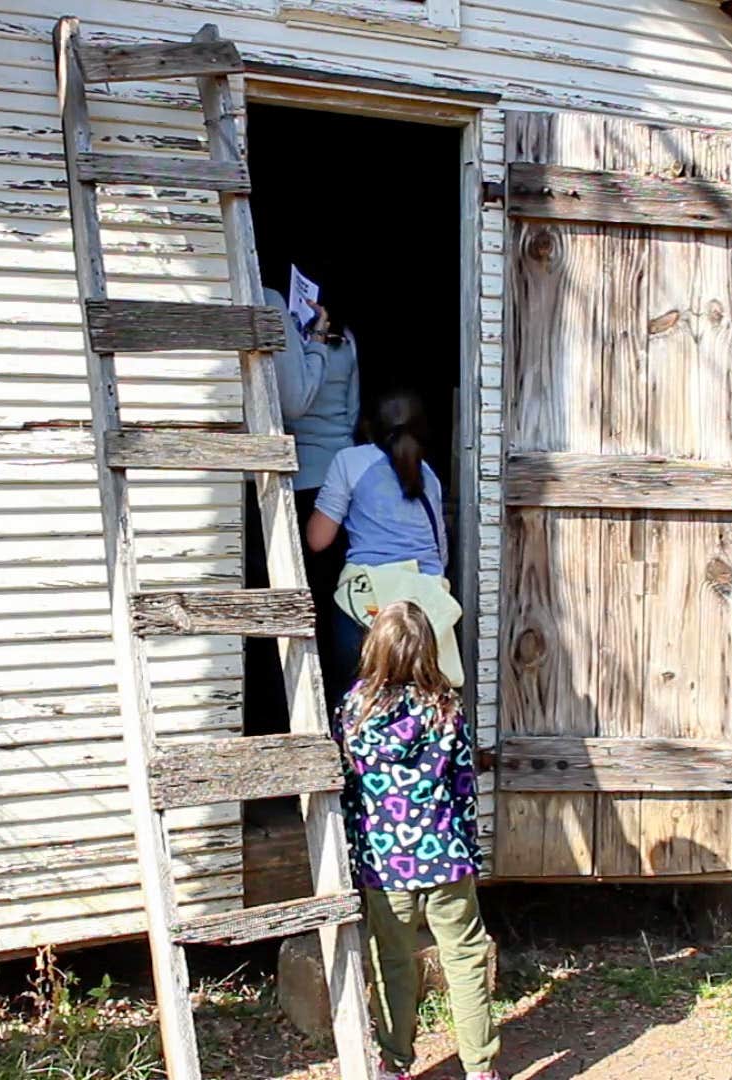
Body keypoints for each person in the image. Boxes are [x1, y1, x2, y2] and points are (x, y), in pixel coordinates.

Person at [331, 601, 499, 1080]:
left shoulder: (354, 709)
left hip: (385, 862)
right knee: (465, 959)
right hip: (446, 855)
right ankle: (480, 1068)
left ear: (374, 648)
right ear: (428, 649)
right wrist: (469, 846)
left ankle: (394, 1063)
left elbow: (347, 789)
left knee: (393, 962)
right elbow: (464, 786)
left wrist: (354, 848)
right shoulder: (445, 706)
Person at [307, 390, 462, 699]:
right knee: (419, 703)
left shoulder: (350, 460)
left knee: (358, 699)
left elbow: (318, 540)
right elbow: (440, 555)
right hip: (425, 613)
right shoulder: (428, 475)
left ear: (366, 426)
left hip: (370, 606)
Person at [261, 283, 360, 644]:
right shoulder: (346, 339)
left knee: (301, 594)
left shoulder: (286, 329)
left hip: (300, 477)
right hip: (341, 477)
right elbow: (353, 408)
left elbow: (290, 405)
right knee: (341, 593)